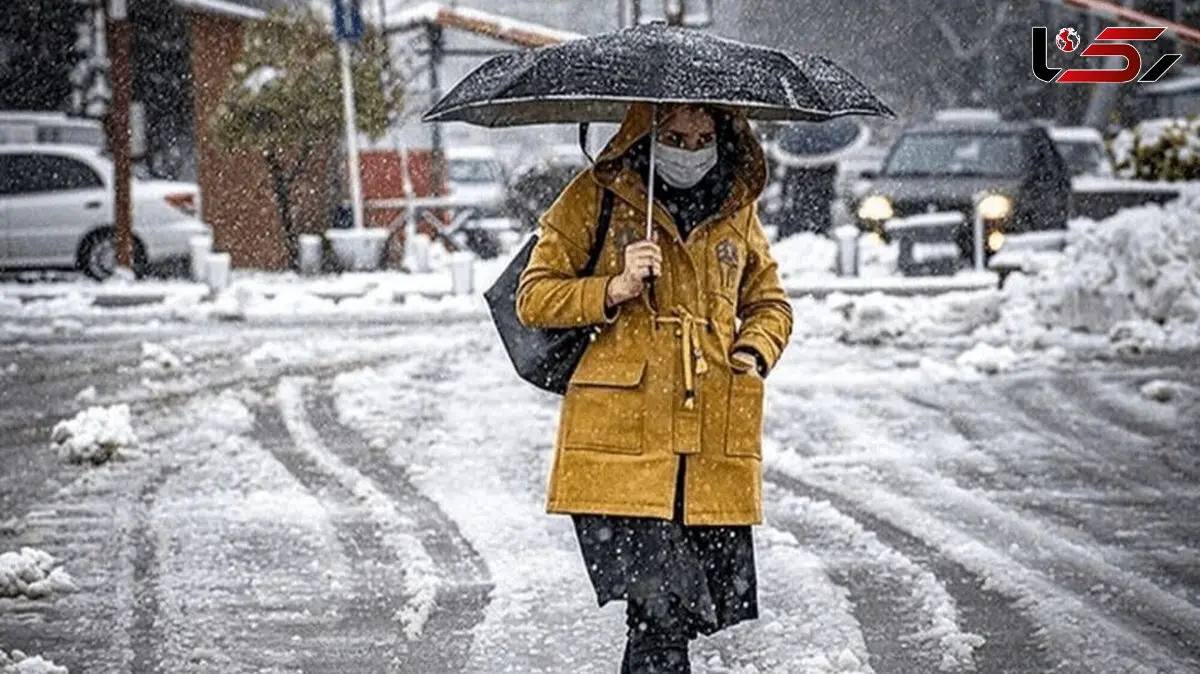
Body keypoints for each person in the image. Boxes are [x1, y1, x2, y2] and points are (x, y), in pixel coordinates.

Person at [515, 102, 793, 673]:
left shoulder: (736, 209)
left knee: (676, 620)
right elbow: (533, 297)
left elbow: (769, 303)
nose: (689, 151)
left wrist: (751, 353)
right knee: (659, 611)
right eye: (673, 136)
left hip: (708, 446)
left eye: (701, 138)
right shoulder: (595, 197)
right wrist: (612, 286)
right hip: (622, 448)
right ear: (645, 134)